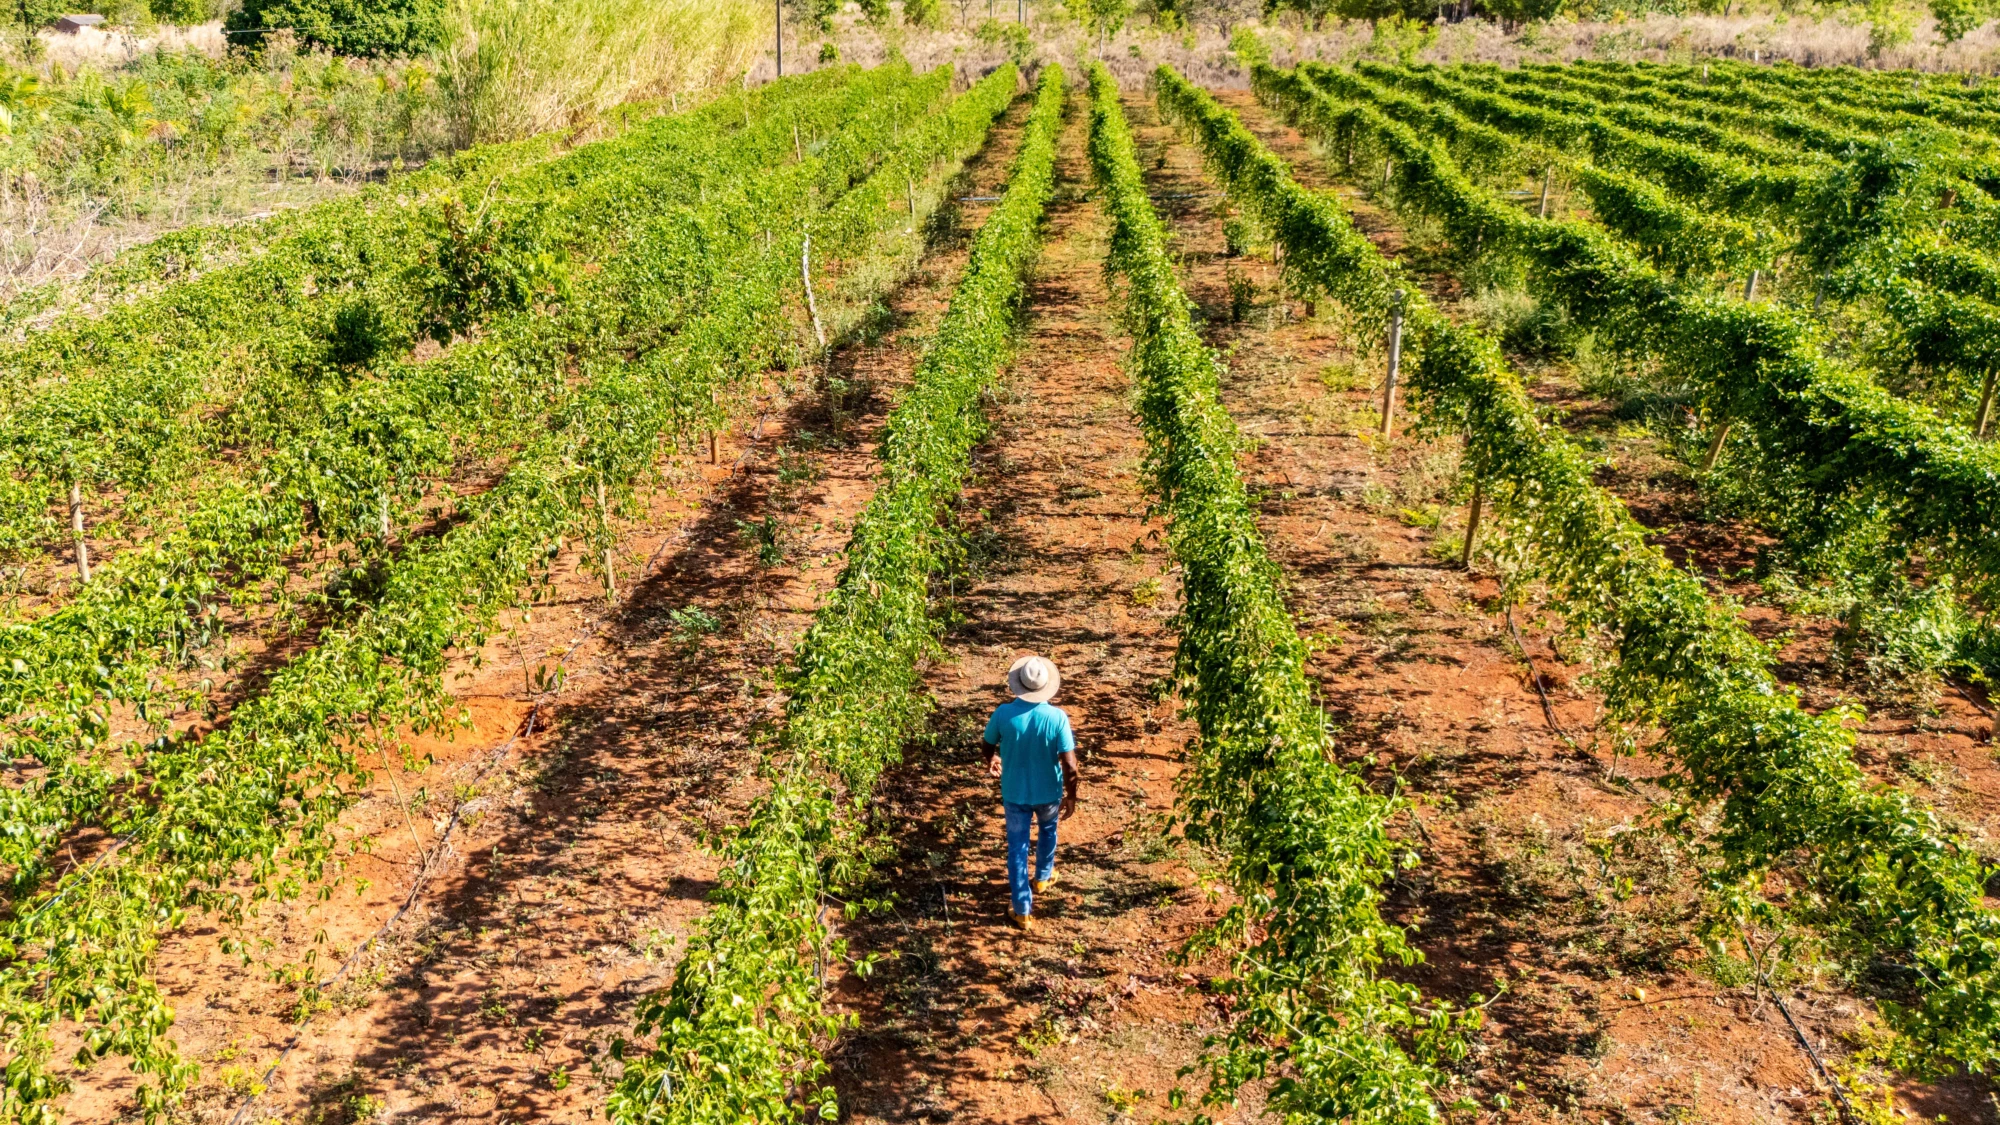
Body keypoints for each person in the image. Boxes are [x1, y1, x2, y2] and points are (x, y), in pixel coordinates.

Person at [982, 654, 1079, 932]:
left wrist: (992, 759)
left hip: (1015, 793)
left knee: (1018, 848)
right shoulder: (1057, 717)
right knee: (1048, 831)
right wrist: (1071, 795)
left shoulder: (1003, 714)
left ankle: (1022, 910)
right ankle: (1043, 878)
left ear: (1018, 684)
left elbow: (987, 745)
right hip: (1049, 792)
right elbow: (1070, 764)